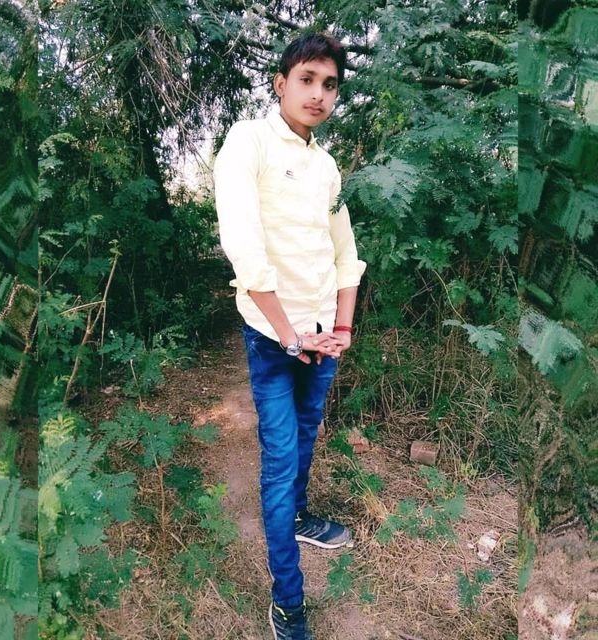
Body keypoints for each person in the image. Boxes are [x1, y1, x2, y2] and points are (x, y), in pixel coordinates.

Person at [213, 31, 366, 640]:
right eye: (307, 79)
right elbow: (245, 250)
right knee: (279, 462)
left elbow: (345, 253)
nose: (319, 94)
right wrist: (289, 335)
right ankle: (287, 603)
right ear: (280, 84)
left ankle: (300, 517)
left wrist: (342, 326)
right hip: (274, 338)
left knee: (305, 438)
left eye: (330, 85)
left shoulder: (326, 166)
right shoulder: (248, 142)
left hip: (324, 337)